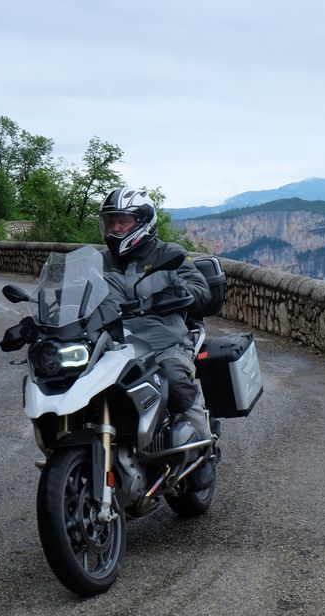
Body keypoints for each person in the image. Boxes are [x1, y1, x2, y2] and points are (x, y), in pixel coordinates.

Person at [97, 187, 215, 487]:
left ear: (142, 223)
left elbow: (199, 289)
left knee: (175, 379)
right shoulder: (99, 262)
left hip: (165, 343)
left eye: (122, 221)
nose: (115, 228)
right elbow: (72, 296)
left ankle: (202, 450)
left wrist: (180, 295)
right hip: (112, 346)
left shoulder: (168, 255)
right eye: (111, 222)